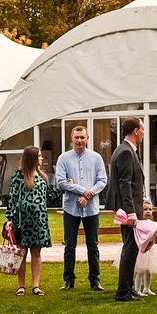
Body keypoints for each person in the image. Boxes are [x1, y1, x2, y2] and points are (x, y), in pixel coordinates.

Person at [53, 123, 107, 291]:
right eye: (76, 137)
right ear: (71, 138)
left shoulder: (96, 158)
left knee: (93, 245)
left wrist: (88, 195)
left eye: (82, 137)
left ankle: (95, 280)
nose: (79, 141)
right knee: (70, 246)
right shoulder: (63, 158)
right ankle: (69, 280)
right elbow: (61, 182)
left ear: (87, 138)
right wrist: (84, 191)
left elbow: (103, 181)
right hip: (71, 208)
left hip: (91, 209)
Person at [2, 145, 54, 294]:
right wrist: (11, 219)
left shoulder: (42, 177)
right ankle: (21, 286)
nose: (41, 158)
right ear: (32, 158)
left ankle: (36, 285)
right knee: (22, 254)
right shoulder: (19, 176)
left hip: (39, 221)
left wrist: (66, 189)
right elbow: (12, 198)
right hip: (23, 221)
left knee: (36, 254)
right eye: (39, 156)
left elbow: (49, 197)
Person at [108, 117, 148, 302]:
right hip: (129, 209)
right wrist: (131, 211)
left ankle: (128, 288)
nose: (144, 132)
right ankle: (123, 291)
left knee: (132, 247)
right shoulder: (125, 152)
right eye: (142, 129)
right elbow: (125, 184)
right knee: (130, 247)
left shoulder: (126, 150)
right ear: (135, 131)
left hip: (132, 206)